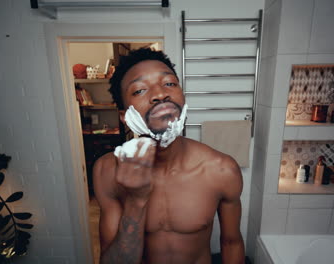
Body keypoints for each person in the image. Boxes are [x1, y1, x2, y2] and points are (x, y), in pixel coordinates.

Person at [93, 48, 245, 264]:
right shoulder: (107, 171)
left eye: (169, 83)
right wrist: (136, 201)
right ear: (124, 116)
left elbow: (232, 244)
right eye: (139, 90)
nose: (160, 94)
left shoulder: (221, 169)